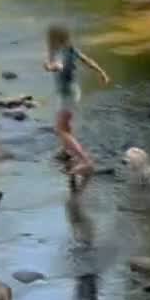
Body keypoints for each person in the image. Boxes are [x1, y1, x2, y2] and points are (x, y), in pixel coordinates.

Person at [43, 23, 109, 189]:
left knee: (60, 129)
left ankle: (86, 161)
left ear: (54, 39)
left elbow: (58, 66)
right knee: (66, 125)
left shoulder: (60, 54)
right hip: (72, 92)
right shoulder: (70, 49)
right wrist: (102, 73)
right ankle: (67, 151)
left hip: (67, 95)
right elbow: (87, 60)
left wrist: (49, 66)